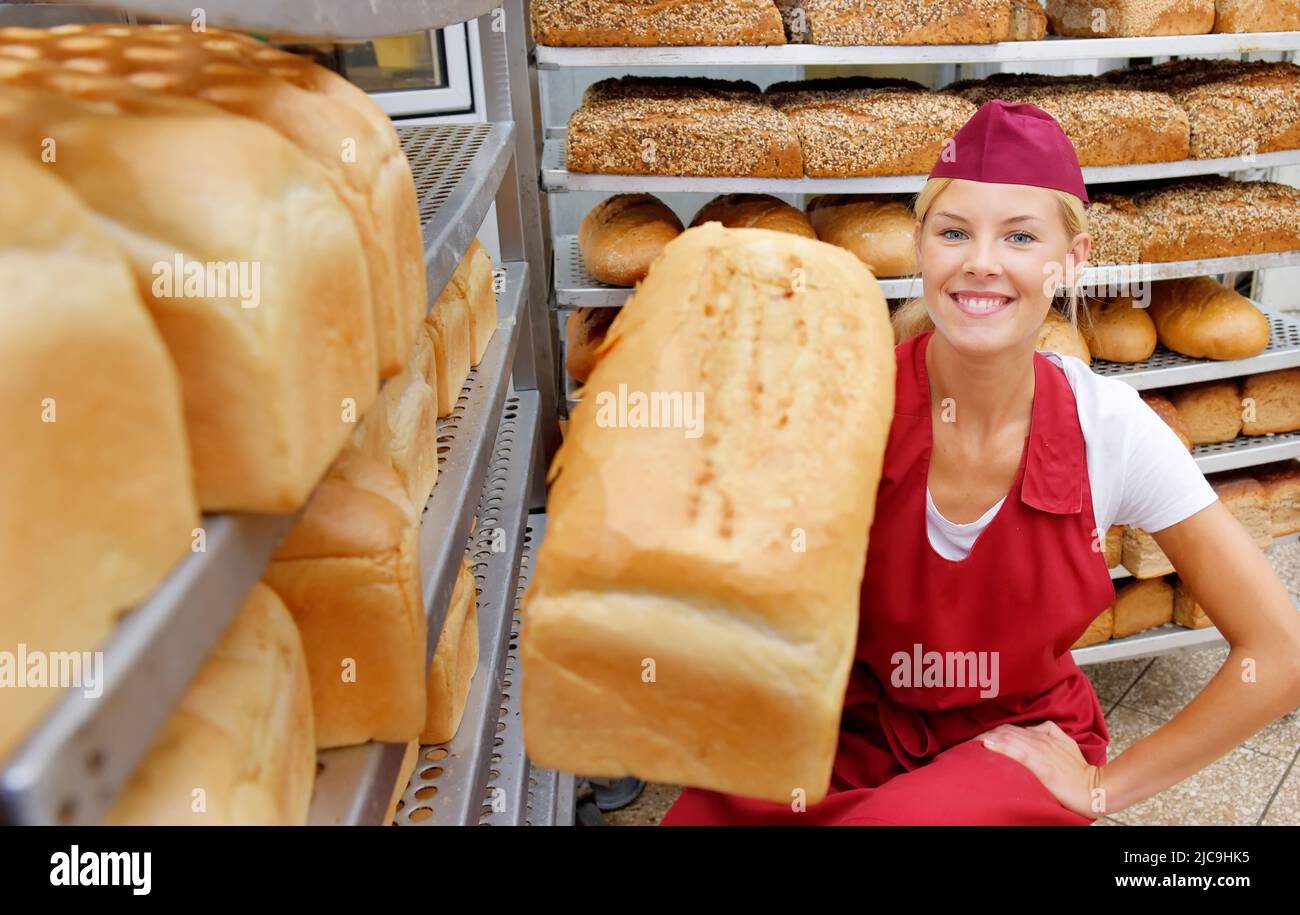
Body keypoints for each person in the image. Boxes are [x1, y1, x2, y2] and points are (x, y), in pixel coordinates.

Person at [660, 100, 1300, 826]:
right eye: (954, 232)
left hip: (1015, 745)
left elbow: (1279, 653)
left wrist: (1104, 787)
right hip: (851, 724)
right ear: (920, 246)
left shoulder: (1112, 430)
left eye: (1020, 236)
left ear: (1072, 261)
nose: (981, 263)